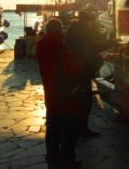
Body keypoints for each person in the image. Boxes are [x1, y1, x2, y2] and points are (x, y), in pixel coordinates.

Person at [36, 18, 84, 169]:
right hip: (65, 94)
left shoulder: (41, 44)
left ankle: (52, 158)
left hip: (50, 92)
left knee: (52, 130)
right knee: (69, 130)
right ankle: (68, 160)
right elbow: (72, 68)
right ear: (59, 30)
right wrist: (80, 66)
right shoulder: (59, 46)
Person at [65, 11, 112, 137]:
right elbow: (92, 47)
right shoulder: (82, 32)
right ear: (86, 21)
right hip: (83, 69)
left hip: (75, 69)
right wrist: (110, 42)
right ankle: (82, 128)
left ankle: (75, 127)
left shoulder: (73, 30)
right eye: (90, 21)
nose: (92, 23)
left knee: (77, 99)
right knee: (84, 100)